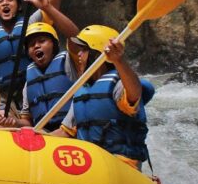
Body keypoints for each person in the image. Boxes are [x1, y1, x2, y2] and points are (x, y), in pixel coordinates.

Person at [55, 25, 155, 170]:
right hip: (91, 164)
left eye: (83, 50)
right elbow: (65, 132)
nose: (79, 56)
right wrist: (34, 134)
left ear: (97, 55)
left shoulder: (119, 83)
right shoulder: (82, 92)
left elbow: (134, 94)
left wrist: (119, 61)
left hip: (122, 166)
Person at [0, 0, 80, 130]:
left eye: (42, 41)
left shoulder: (69, 62)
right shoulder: (29, 81)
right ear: (28, 53)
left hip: (69, 130)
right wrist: (15, 123)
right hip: (44, 134)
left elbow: (76, 37)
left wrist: (47, 7)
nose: (36, 46)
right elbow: (27, 123)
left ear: (54, 45)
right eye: (31, 45)